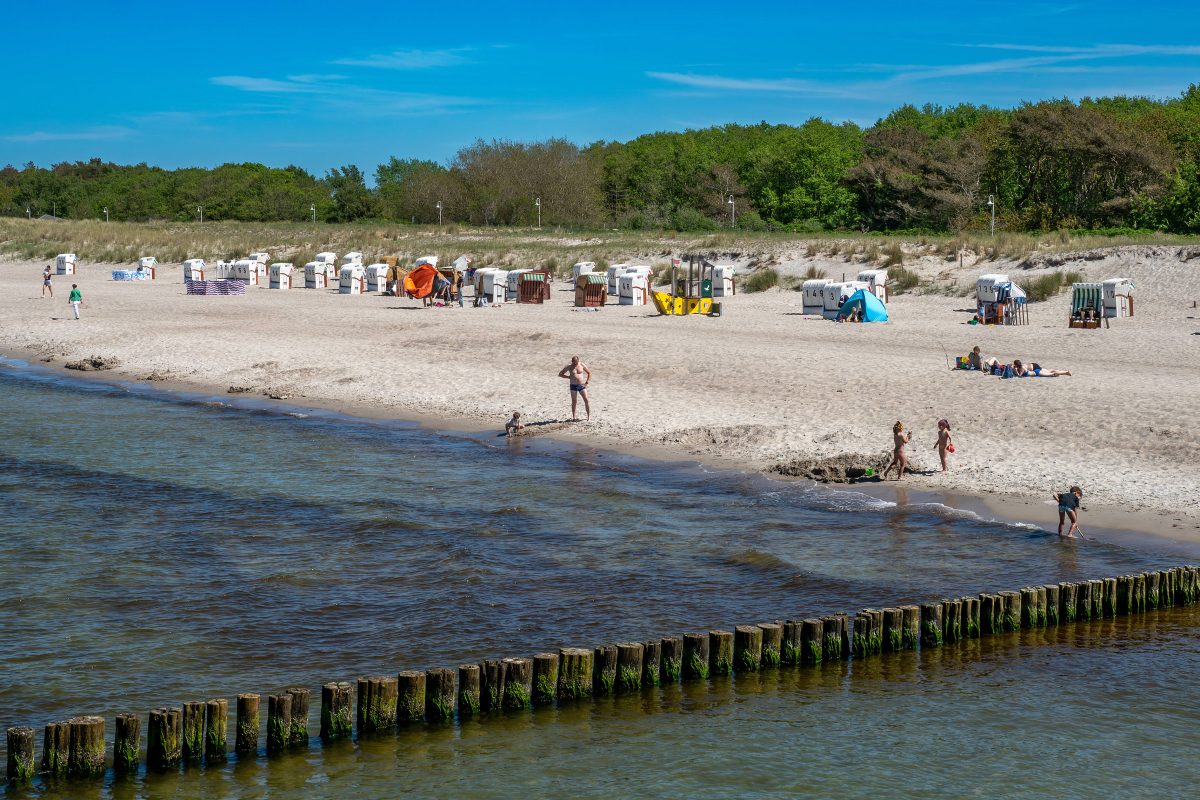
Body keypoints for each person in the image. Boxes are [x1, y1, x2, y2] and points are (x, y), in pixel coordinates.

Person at [558, 355, 592, 421]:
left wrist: (587, 382)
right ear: (572, 361)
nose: (575, 364)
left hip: (581, 385)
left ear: (578, 361)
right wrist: (568, 377)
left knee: (586, 400)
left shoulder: (582, 365)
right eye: (573, 362)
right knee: (574, 401)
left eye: (576, 362)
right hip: (573, 385)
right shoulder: (569, 366)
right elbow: (560, 374)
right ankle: (574, 417)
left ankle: (588, 417)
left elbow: (589, 373)